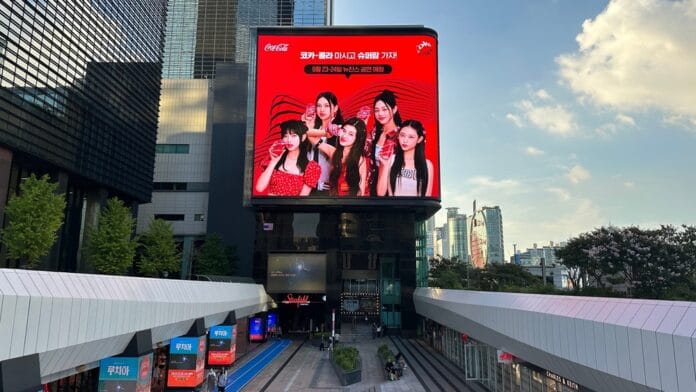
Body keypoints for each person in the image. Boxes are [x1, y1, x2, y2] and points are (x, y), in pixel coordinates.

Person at [255, 120, 321, 196]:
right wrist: (273, 162)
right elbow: (259, 188)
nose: (289, 140)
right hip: (270, 206)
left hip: (292, 207)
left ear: (303, 137)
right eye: (285, 136)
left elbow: (302, 200)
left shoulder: (311, 167)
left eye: (293, 136)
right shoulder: (274, 158)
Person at [312, 117, 368, 196]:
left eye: (351, 134)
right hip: (334, 201)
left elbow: (361, 190)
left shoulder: (360, 159)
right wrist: (326, 133)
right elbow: (308, 134)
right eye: (344, 131)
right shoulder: (334, 152)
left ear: (357, 138)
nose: (344, 136)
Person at [376, 120, 433, 197]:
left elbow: (427, 196)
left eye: (411, 137)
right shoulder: (391, 159)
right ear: (398, 136)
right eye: (402, 135)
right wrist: (385, 166)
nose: (405, 140)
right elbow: (380, 193)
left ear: (419, 139)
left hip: (416, 208)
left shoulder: (427, 165)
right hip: (394, 207)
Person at [303, 91, 344, 195]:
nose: (322, 109)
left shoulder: (340, 131)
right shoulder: (313, 129)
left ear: (335, 108)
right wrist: (307, 125)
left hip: (327, 190)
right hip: (307, 188)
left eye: (326, 106)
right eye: (319, 106)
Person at [367, 90, 402, 196]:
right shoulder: (374, 133)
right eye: (376, 110)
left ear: (394, 109)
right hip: (372, 188)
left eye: (384, 109)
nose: (380, 114)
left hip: (392, 189)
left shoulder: (401, 135)